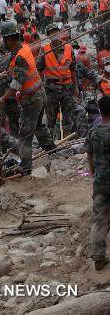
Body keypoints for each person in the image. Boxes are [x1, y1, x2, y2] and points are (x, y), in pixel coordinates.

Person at [0, 21, 55, 175]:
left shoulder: (20, 55)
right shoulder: (23, 48)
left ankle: (25, 168)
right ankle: (52, 150)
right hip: (39, 92)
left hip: (32, 98)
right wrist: (7, 73)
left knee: (25, 135)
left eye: (4, 40)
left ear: (9, 40)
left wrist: (2, 98)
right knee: (39, 126)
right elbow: (20, 72)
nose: (3, 43)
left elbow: (16, 84)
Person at [37, 24, 78, 138]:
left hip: (67, 87)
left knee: (67, 116)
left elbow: (73, 69)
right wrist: (40, 88)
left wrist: (75, 88)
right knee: (51, 116)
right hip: (51, 87)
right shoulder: (44, 50)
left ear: (59, 33)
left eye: (56, 31)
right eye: (51, 32)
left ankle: (66, 140)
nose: (54, 34)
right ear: (48, 36)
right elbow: (39, 70)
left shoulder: (69, 48)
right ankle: (50, 142)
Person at [87, 96, 110, 271]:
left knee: (99, 220)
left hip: (101, 181)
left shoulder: (93, 132)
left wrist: (94, 174)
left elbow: (89, 156)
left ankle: (98, 257)